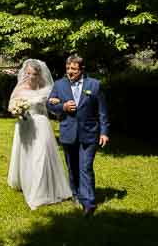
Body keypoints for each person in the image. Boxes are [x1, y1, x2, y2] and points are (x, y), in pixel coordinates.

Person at [46, 54, 110, 217]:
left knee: (85, 167)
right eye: (68, 68)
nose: (70, 72)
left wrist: (104, 132)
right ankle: (75, 194)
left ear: (82, 69)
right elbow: (49, 104)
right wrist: (63, 107)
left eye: (73, 69)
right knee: (73, 167)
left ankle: (88, 203)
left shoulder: (94, 85)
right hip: (68, 133)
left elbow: (102, 111)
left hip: (89, 133)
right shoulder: (59, 85)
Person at [7, 59, 72, 210]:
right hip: (25, 125)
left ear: (39, 74)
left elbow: (53, 106)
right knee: (27, 156)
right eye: (28, 73)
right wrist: (17, 111)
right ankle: (26, 182)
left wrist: (59, 106)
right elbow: (11, 107)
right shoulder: (20, 88)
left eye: (34, 74)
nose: (30, 76)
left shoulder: (47, 87)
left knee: (41, 156)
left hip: (42, 125)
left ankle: (41, 189)